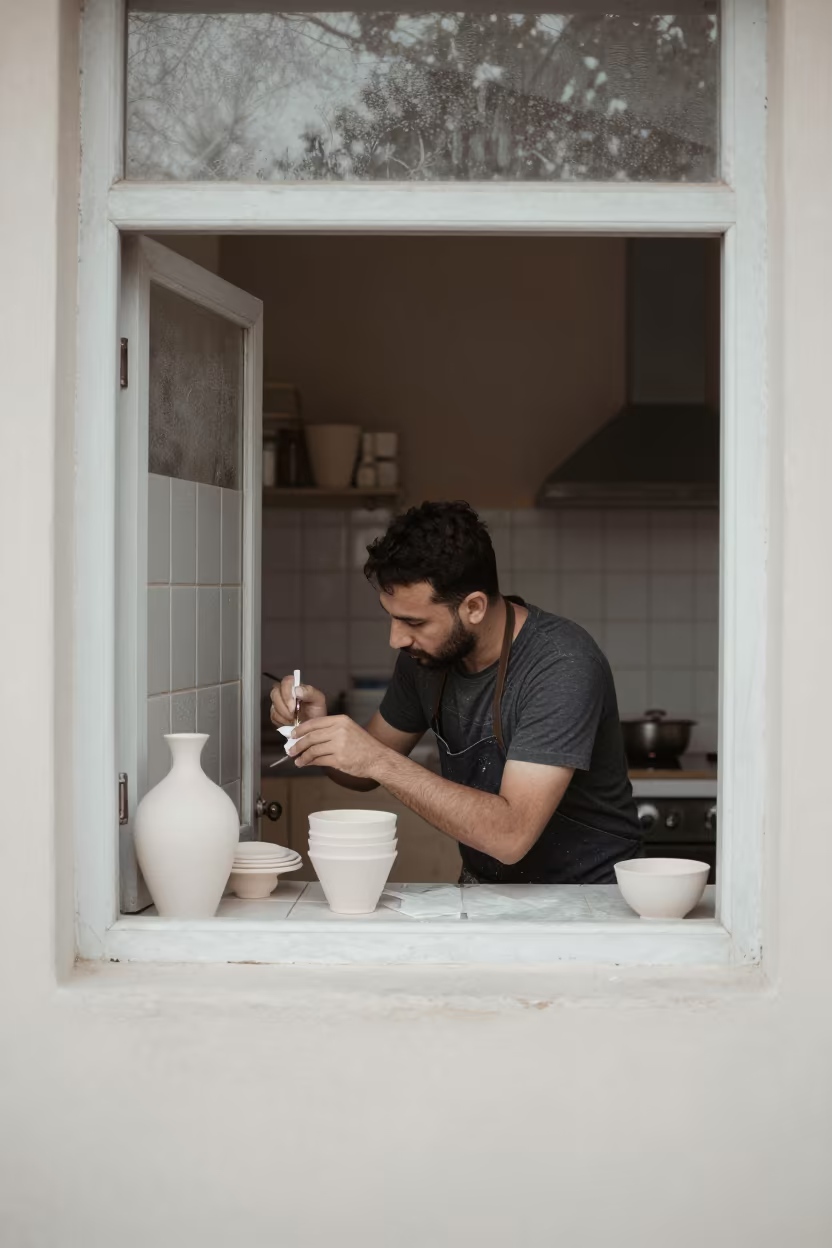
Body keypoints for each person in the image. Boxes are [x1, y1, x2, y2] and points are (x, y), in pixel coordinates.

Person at [270, 501, 641, 884]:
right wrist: (316, 731)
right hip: (486, 895)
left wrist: (376, 759)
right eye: (392, 616)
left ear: (474, 607)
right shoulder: (424, 660)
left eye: (413, 621)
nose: (396, 638)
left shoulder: (561, 664)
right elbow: (361, 773)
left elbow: (510, 835)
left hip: (588, 902)